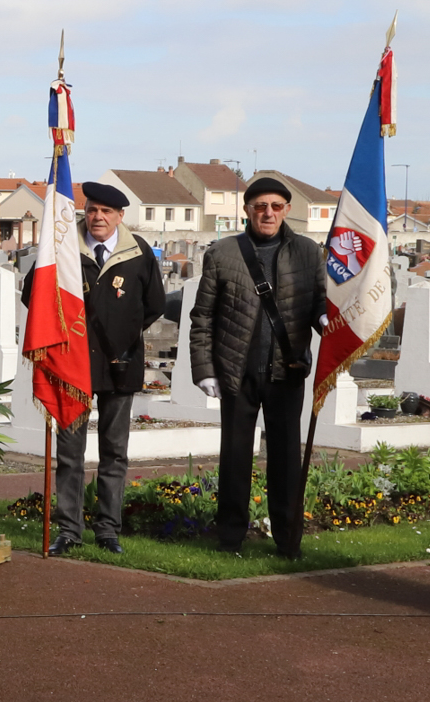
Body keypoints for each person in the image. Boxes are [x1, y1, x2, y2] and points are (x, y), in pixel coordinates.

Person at [22, 181, 165, 553]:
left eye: (106, 211)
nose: (98, 217)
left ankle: (107, 529)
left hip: (120, 364)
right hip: (72, 367)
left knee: (114, 451)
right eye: (92, 209)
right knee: (70, 452)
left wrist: (123, 332)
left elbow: (154, 304)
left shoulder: (139, 252)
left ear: (120, 216)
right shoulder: (61, 246)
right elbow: (32, 293)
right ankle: (70, 529)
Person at [190, 176, 327, 558]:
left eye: (276, 206)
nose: (268, 213)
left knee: (286, 460)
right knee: (235, 458)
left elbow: (319, 299)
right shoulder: (222, 253)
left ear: (287, 210)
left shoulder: (307, 252)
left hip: (287, 370)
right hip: (238, 371)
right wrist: (204, 369)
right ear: (247, 210)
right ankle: (230, 538)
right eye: (260, 206)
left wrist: (325, 319)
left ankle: (288, 540)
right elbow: (203, 316)